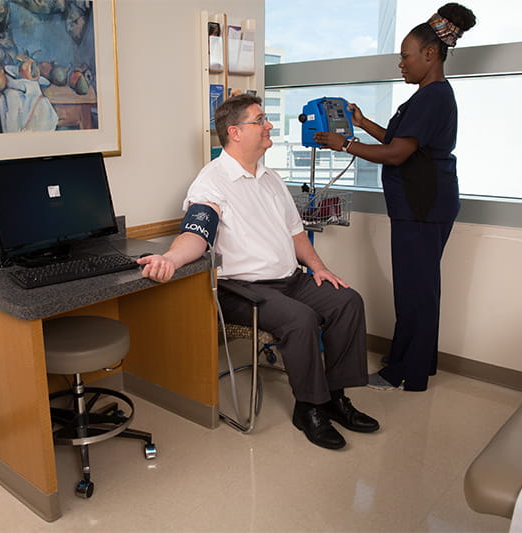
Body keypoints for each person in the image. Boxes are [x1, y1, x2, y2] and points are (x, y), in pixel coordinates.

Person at [137, 94, 379, 450]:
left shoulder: (271, 178)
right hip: (242, 290)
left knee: (347, 301)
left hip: (290, 280)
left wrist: (320, 268)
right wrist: (171, 260)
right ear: (234, 131)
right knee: (301, 319)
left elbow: (296, 233)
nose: (269, 126)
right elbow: (196, 234)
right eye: (260, 120)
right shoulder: (211, 182)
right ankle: (309, 408)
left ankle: (334, 398)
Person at [314, 3, 476, 392]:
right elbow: (397, 139)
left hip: (422, 206)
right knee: (418, 288)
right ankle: (413, 361)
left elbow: (398, 153)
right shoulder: (426, 96)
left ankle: (405, 374)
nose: (400, 64)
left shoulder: (432, 97)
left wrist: (345, 143)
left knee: (415, 291)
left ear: (430, 54)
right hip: (424, 204)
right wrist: (362, 121)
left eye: (405, 56)